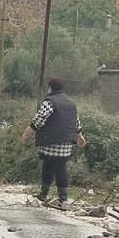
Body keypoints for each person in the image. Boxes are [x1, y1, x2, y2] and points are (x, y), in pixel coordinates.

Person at [28, 78, 85, 207]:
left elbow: (39, 119)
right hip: (66, 143)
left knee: (48, 167)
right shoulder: (71, 103)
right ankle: (62, 198)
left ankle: (44, 194)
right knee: (61, 168)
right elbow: (76, 121)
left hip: (50, 141)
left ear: (50, 88)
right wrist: (80, 135)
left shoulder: (49, 102)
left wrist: (27, 133)